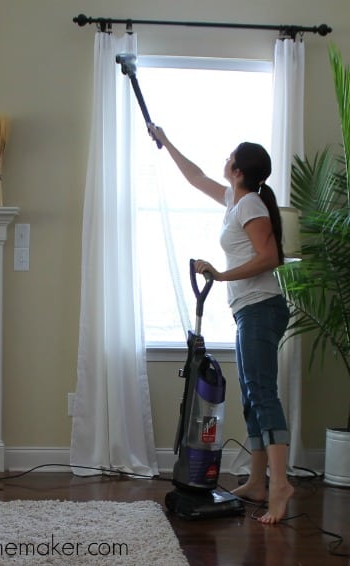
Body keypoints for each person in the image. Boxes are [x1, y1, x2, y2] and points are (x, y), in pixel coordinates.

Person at [148, 124, 293, 525]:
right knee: (251, 394)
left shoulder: (250, 206)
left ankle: (280, 486)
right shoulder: (236, 199)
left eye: (230, 157)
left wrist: (221, 275)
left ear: (240, 170)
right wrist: (166, 140)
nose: (224, 160)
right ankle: (258, 481)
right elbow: (195, 177)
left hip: (261, 306)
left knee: (263, 394)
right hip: (249, 309)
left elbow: (271, 257)